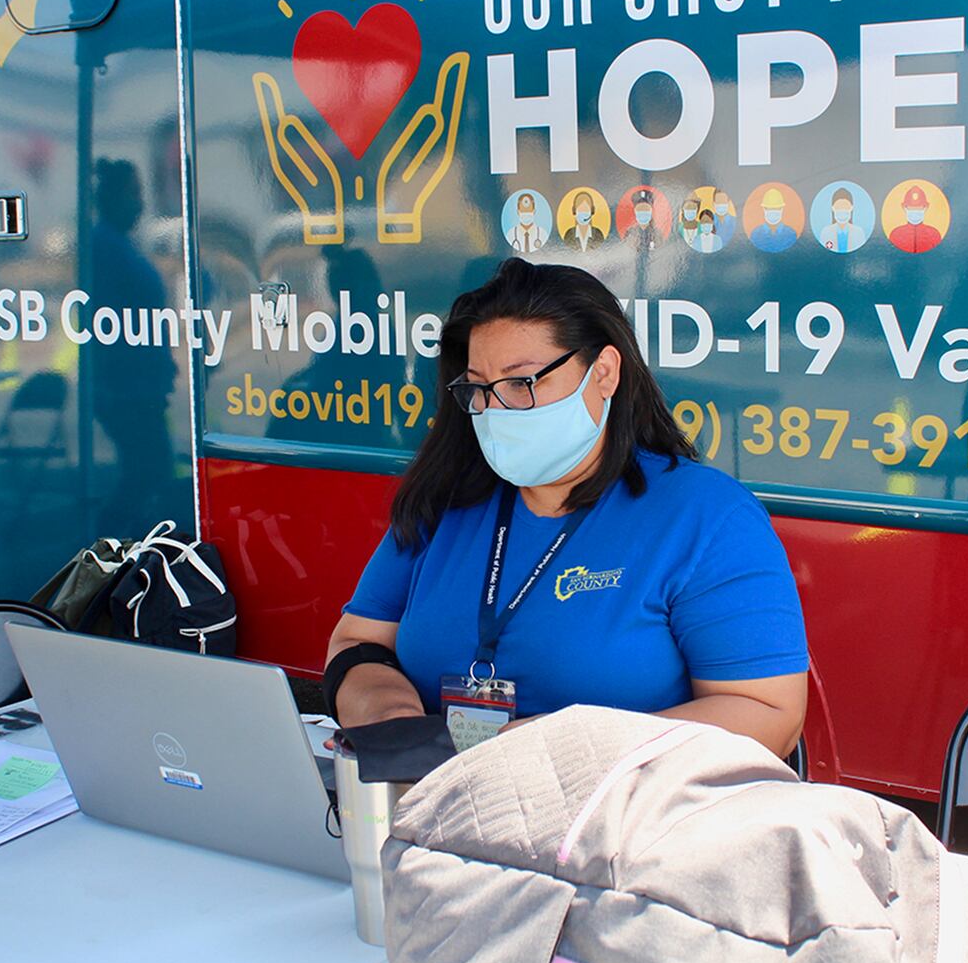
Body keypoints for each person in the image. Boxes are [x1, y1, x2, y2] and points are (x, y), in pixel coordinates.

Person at [323, 258, 808, 756]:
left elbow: (769, 714)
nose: (494, 410)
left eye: (522, 383)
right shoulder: (446, 500)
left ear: (603, 373)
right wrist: (388, 714)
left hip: (627, 823)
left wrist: (562, 751)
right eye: (478, 388)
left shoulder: (706, 518)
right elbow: (358, 642)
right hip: (443, 806)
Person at [888, 184, 944, 253]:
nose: (915, 211)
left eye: (919, 208)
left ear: (926, 208)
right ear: (904, 208)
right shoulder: (895, 235)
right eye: (911, 208)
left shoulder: (935, 235)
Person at [749, 188, 799, 253]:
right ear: (763, 209)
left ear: (782, 209)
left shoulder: (791, 234)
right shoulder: (755, 234)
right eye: (769, 208)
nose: (773, 212)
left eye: (777, 208)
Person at [819, 187, 866, 253]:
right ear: (833, 208)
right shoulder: (826, 232)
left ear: (851, 208)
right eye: (838, 207)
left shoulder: (859, 232)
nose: (842, 210)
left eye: (846, 206)